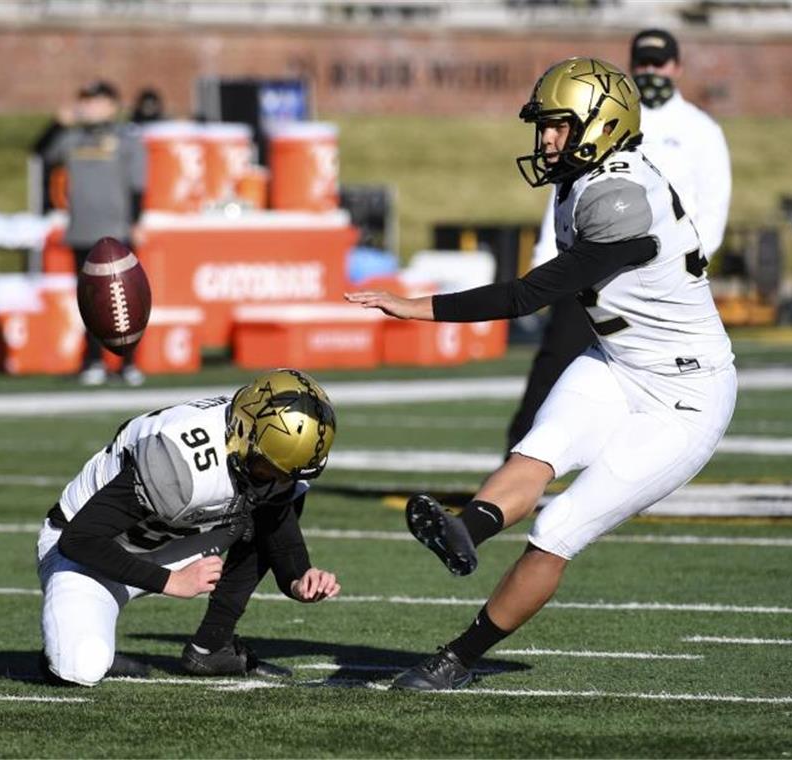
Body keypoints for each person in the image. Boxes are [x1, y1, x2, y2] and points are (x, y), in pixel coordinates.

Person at [346, 57, 737, 690]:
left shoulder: (620, 198)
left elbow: (530, 296)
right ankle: (464, 531)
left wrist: (416, 307)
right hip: (618, 361)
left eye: (558, 125)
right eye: (543, 125)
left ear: (602, 125)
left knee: (557, 528)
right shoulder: (586, 178)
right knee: (537, 450)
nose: (546, 139)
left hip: (684, 394)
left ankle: (458, 659)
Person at [37, 368, 341, 686]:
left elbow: (277, 526)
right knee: (80, 666)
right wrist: (172, 581)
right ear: (242, 430)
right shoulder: (181, 460)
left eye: (286, 472)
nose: (277, 479)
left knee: (258, 508)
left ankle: (212, 646)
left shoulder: (274, 455)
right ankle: (72, 646)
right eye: (267, 467)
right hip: (86, 552)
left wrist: (298, 577)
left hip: (171, 538)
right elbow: (79, 539)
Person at [505, 28, 732, 449]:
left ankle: (636, 468)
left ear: (676, 67)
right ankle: (519, 464)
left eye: (658, 62)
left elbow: (713, 207)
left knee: (652, 382)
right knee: (554, 367)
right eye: (642, 62)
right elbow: (569, 190)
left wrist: (686, 265)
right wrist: (545, 259)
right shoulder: (598, 118)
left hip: (656, 277)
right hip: (590, 265)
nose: (650, 71)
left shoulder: (701, 130)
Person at [39, 80, 148, 386]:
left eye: (95, 101)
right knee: (91, 303)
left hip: (116, 229)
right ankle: (92, 361)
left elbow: (138, 184)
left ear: (112, 105)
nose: (88, 107)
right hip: (82, 229)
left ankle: (127, 363)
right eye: (85, 101)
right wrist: (55, 125)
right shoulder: (72, 138)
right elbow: (41, 153)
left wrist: (136, 220)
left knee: (124, 300)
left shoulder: (126, 139)